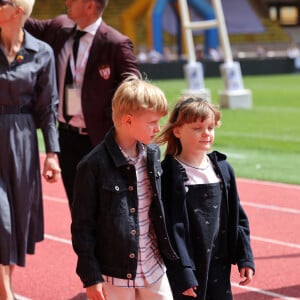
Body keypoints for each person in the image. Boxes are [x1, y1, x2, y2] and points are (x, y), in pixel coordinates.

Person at [71, 74, 178, 300]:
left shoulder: (152, 154)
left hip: (153, 268)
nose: (157, 128)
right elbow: (82, 227)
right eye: (152, 122)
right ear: (128, 121)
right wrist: (90, 276)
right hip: (115, 274)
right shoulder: (92, 166)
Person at [25, 0, 140, 207]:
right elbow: (22, 19)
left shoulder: (115, 43)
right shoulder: (60, 27)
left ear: (89, 6)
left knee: (107, 208)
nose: (67, 2)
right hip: (67, 137)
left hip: (100, 140)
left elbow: (133, 87)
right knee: (77, 207)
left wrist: (109, 118)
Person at [155, 97, 255, 300]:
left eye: (210, 127)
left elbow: (237, 216)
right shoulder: (168, 174)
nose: (206, 133)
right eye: (197, 128)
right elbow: (170, 228)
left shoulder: (223, 169)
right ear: (177, 131)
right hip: (188, 264)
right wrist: (182, 271)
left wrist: (245, 257)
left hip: (219, 264)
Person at [0, 0, 61, 298]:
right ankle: (5, 291)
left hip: (23, 141)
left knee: (16, 215)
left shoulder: (42, 52)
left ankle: (5, 285)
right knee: (0, 216)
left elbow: (49, 107)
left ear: (18, 11)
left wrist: (52, 154)